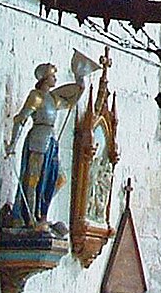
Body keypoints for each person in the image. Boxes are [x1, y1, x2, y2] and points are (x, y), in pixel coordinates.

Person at [5, 55, 94, 227]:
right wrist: (12, 145)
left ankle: (41, 212)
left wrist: (80, 79)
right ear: (45, 79)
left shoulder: (53, 98)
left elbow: (71, 99)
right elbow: (20, 119)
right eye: (53, 76)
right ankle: (29, 217)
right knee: (32, 179)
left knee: (57, 178)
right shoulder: (36, 96)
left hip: (51, 140)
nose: (55, 79)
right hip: (38, 139)